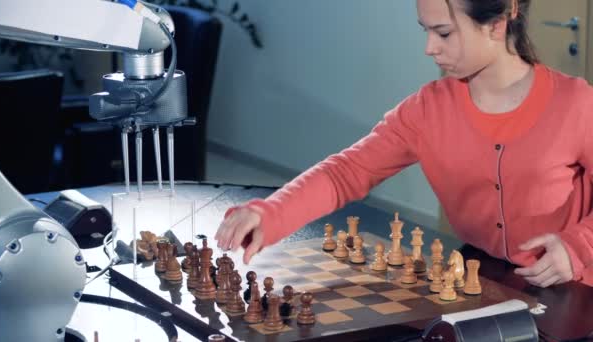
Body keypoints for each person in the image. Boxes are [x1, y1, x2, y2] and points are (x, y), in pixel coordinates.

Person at [215, 0, 593, 288]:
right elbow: (347, 172)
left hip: (572, 288)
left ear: (498, 23)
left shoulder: (575, 104)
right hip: (482, 278)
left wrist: (577, 247)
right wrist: (271, 214)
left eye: (444, 33)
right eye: (425, 31)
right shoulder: (427, 109)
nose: (430, 47)